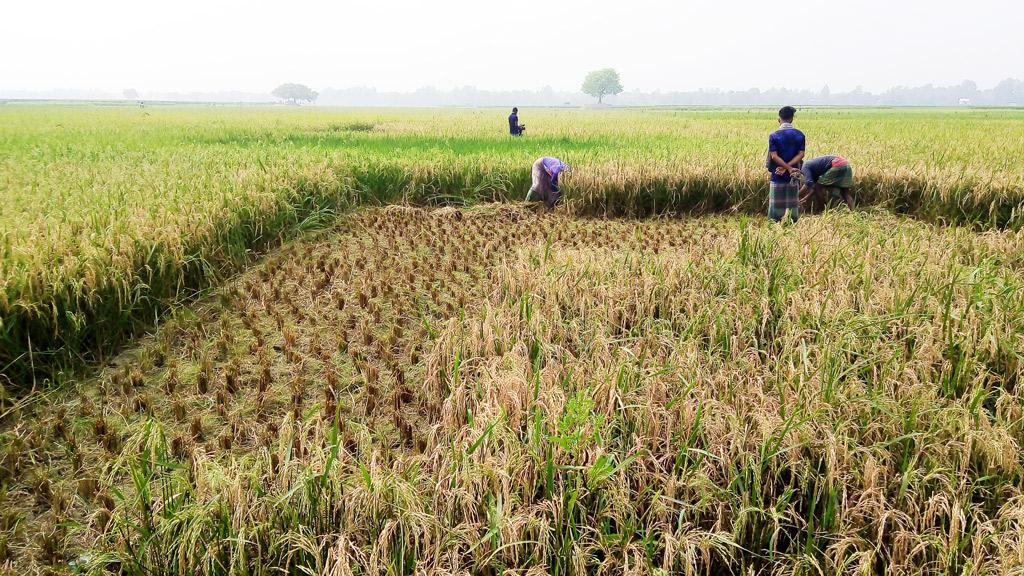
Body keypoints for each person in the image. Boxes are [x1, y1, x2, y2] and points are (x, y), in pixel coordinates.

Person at [765, 106, 805, 223]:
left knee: (775, 206)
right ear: (792, 119)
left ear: (779, 119)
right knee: (792, 204)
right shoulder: (800, 135)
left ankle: (774, 226)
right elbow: (801, 154)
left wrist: (785, 168)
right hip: (794, 175)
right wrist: (790, 168)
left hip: (778, 174)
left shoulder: (774, 136)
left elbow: (774, 156)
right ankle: (792, 225)